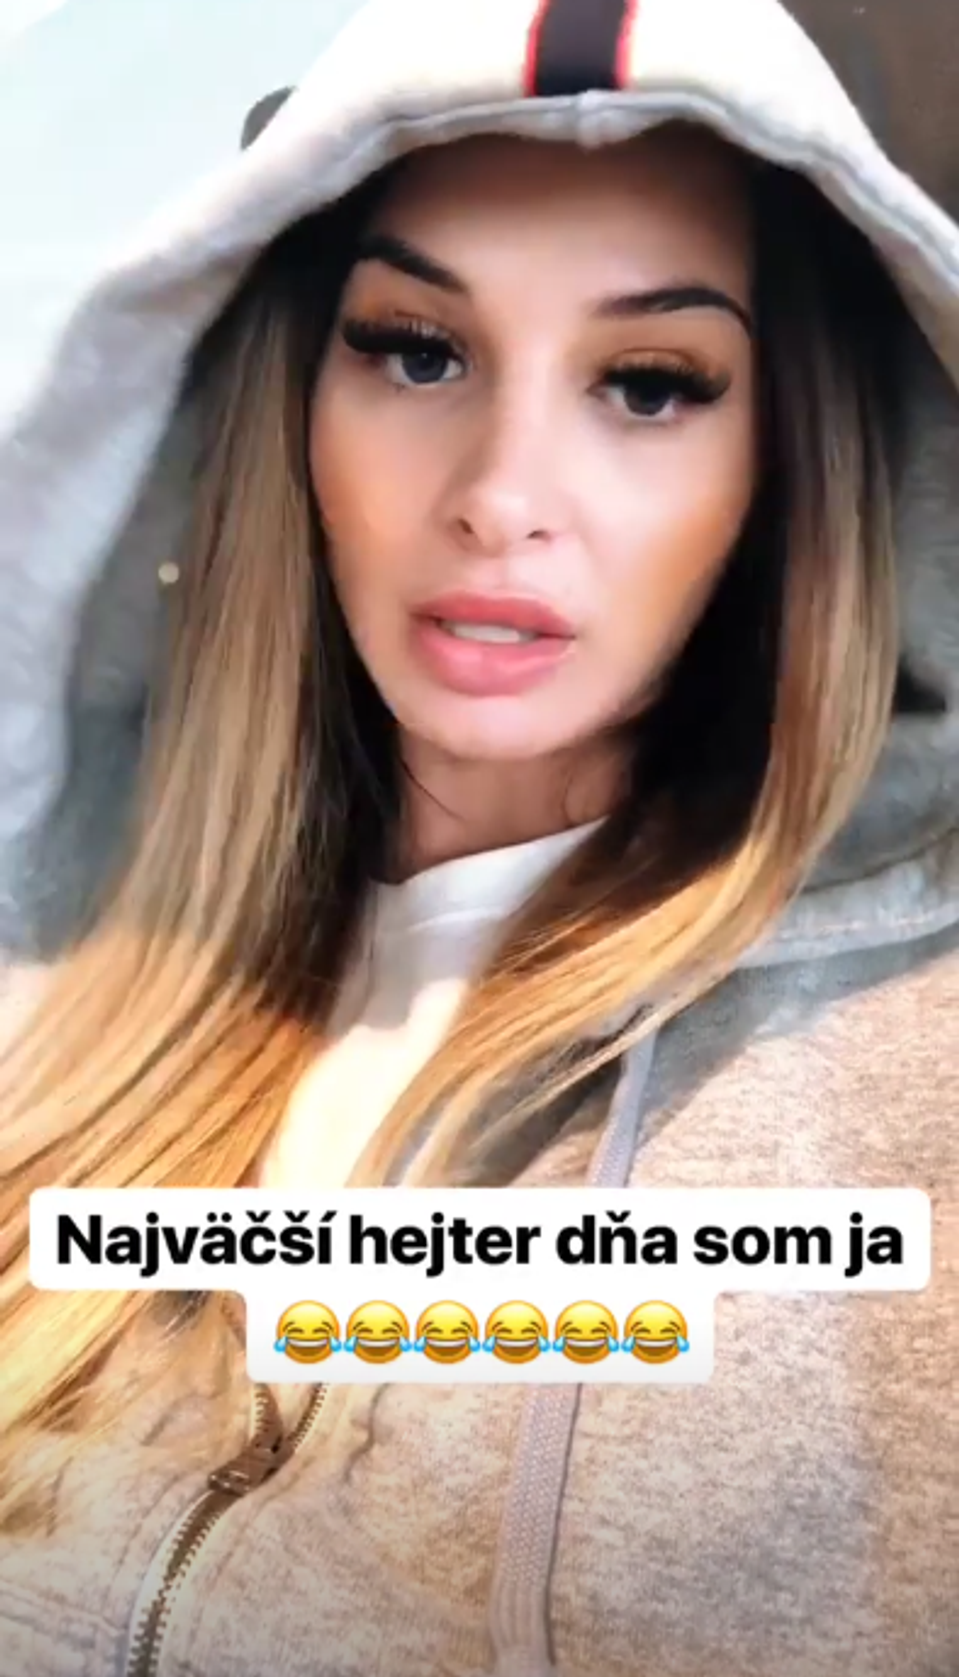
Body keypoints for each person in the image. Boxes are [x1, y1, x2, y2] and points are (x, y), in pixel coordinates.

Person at [0, 0, 955, 1673]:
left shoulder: (916, 1063)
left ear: (786, 463)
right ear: (291, 406)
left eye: (648, 384)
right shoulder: (63, 967)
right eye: (416, 351)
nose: (502, 495)